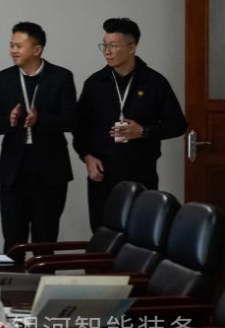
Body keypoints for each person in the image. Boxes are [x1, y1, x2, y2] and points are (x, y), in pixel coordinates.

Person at [73, 18, 186, 231]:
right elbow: (79, 129)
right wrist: (87, 157)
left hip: (141, 174)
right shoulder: (95, 83)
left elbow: (178, 124)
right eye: (104, 45)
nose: (107, 51)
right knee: (103, 235)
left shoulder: (154, 82)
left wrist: (143, 131)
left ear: (132, 47)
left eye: (113, 45)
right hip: (102, 175)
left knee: (140, 234)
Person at [0, 23, 77, 252]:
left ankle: (43, 277)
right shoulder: (3, 78)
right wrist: (9, 119)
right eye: (11, 45)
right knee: (13, 241)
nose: (13, 50)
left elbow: (71, 120)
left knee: (45, 242)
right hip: (13, 171)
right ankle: (13, 277)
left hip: (50, 171)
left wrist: (41, 120)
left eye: (19, 46)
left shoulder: (61, 77)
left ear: (37, 49)